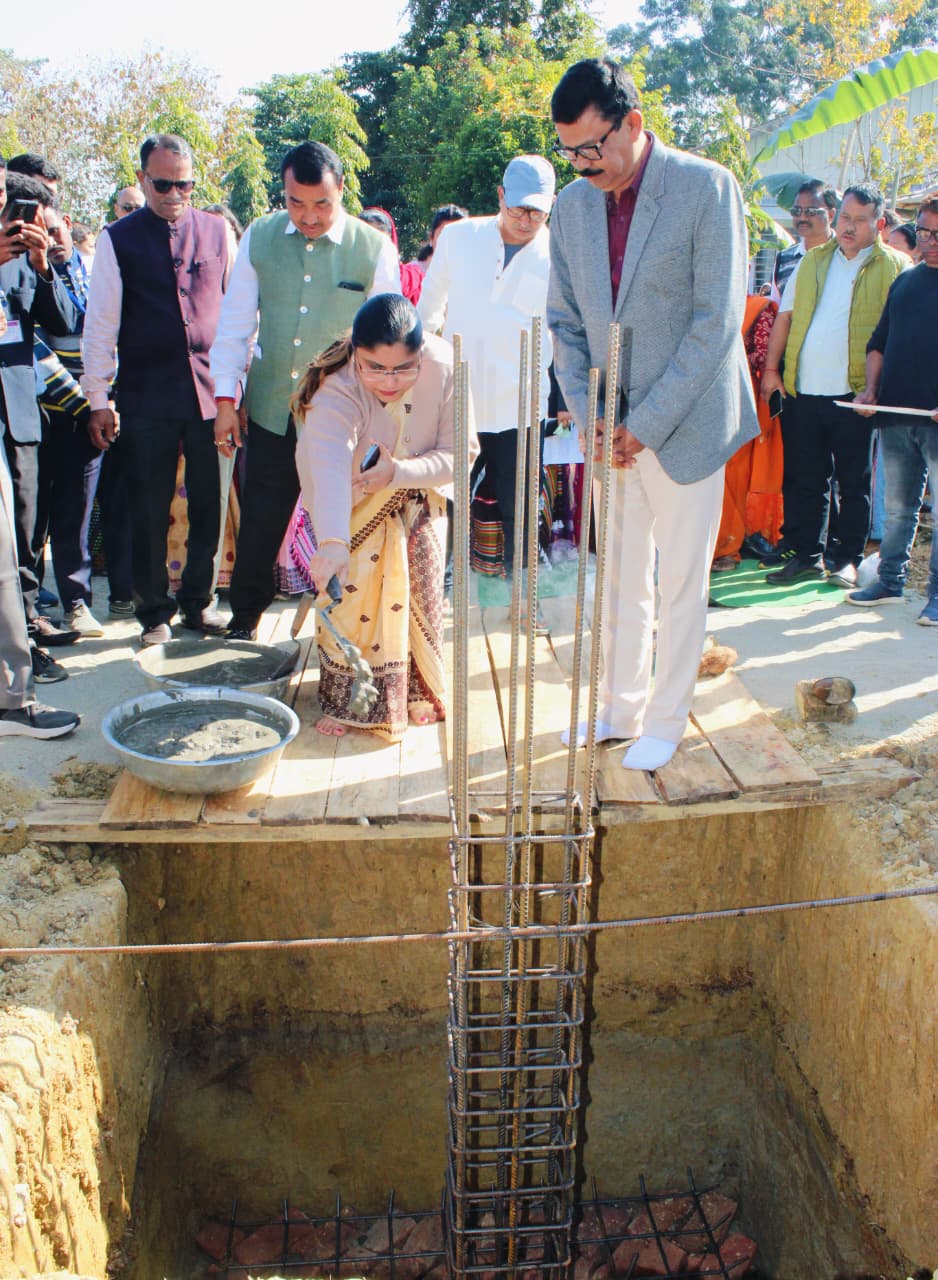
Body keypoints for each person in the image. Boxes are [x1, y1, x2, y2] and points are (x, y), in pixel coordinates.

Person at [546, 57, 759, 773]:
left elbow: (715, 322)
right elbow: (565, 322)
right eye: (569, 152)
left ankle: (666, 721)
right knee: (619, 575)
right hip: (608, 429)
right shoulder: (572, 208)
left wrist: (647, 422)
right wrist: (590, 415)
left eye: (591, 148)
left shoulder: (705, 188)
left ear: (633, 124)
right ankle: (619, 707)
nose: (582, 165)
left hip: (688, 424)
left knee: (679, 584)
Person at [210, 141, 400, 640]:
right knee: (261, 520)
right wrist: (226, 401)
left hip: (343, 418)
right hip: (273, 409)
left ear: (342, 190)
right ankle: (245, 622)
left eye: (322, 204)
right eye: (296, 202)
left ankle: (352, 630)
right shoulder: (260, 236)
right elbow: (234, 325)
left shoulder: (373, 248)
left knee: (346, 519)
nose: (309, 216)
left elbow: (389, 339)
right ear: (284, 192)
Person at [294, 294, 478, 740]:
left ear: (421, 353)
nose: (389, 381)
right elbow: (328, 466)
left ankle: (417, 690)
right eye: (375, 368)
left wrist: (399, 473)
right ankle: (348, 699)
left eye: (404, 369)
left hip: (419, 491)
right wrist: (333, 542)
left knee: (418, 589)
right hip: (350, 503)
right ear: (356, 353)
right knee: (352, 597)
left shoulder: (445, 366)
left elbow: (461, 455)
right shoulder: (337, 386)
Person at [81, 133, 233, 645]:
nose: (174, 194)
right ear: (143, 179)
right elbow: (101, 325)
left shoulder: (217, 231)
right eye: (163, 184)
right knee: (149, 507)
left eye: (184, 184)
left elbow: (239, 316)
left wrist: (236, 390)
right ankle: (153, 613)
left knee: (210, 504)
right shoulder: (117, 239)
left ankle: (199, 603)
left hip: (212, 394)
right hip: (146, 395)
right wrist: (98, 398)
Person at [760, 183, 908, 589]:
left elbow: (901, 335)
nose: (849, 227)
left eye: (860, 220)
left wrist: (879, 390)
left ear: (879, 224)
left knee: (853, 483)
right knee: (806, 479)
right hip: (803, 389)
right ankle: (806, 555)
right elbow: (785, 318)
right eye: (844, 217)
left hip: (855, 395)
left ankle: (846, 560)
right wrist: (772, 370)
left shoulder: (896, 267)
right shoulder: (813, 260)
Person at [419, 155, 555, 579]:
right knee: (446, 498)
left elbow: (569, 330)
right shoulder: (459, 237)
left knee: (520, 507)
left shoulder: (560, 254)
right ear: (500, 196)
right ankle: (435, 586)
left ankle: (522, 594)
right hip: (459, 398)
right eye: (518, 209)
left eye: (537, 212)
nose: (526, 220)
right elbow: (428, 310)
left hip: (522, 404)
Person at [0, 161, 81, 665]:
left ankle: (28, 623)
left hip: (21, 411)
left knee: (28, 526)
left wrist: (42, 264)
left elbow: (65, 320)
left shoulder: (24, 258)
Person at [846, 199, 938, 624]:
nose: (929, 241)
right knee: (898, 508)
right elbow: (878, 343)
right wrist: (870, 391)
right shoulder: (905, 282)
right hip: (897, 414)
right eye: (924, 232)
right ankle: (889, 582)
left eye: (937, 234)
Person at [772, 180, 837, 294]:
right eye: (797, 211)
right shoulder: (784, 259)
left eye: (811, 211)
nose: (802, 218)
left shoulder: (846, 255)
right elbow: (777, 302)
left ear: (830, 215)